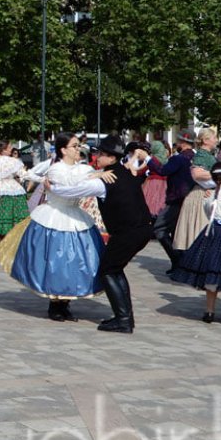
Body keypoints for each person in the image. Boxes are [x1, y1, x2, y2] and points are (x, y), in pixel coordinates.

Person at [47, 135, 153, 333]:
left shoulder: (106, 180)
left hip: (128, 231)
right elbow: (138, 159)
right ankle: (125, 318)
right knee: (115, 269)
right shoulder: (125, 171)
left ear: (111, 158)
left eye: (101, 154)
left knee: (108, 270)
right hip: (142, 228)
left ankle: (123, 320)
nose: (97, 156)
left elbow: (73, 191)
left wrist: (51, 187)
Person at [0, 132, 106, 323]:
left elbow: (85, 179)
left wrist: (95, 175)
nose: (77, 149)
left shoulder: (83, 168)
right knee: (55, 261)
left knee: (73, 263)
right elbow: (68, 185)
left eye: (77, 146)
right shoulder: (56, 169)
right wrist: (94, 175)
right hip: (54, 216)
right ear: (63, 150)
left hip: (75, 216)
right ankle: (55, 305)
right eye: (74, 146)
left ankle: (65, 304)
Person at [170, 162, 221, 322]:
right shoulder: (213, 195)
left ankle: (209, 310)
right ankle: (209, 310)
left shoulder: (213, 195)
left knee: (213, 272)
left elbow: (209, 214)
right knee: (214, 272)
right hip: (216, 232)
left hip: (215, 233)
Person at [146, 129, 196, 270]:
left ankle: (178, 261)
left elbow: (162, 170)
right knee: (177, 232)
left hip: (176, 199)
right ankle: (178, 264)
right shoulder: (195, 158)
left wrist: (148, 159)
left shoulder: (178, 159)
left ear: (182, 142)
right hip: (190, 200)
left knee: (159, 229)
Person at [173, 128, 218, 258]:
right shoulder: (201, 155)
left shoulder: (207, 155)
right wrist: (218, 176)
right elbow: (197, 174)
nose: (216, 140)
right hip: (200, 196)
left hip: (207, 193)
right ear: (205, 140)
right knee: (199, 232)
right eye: (214, 137)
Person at [143, 138, 169, 217]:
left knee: (151, 203)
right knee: (161, 202)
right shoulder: (166, 159)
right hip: (165, 183)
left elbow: (142, 170)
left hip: (153, 182)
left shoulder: (152, 159)